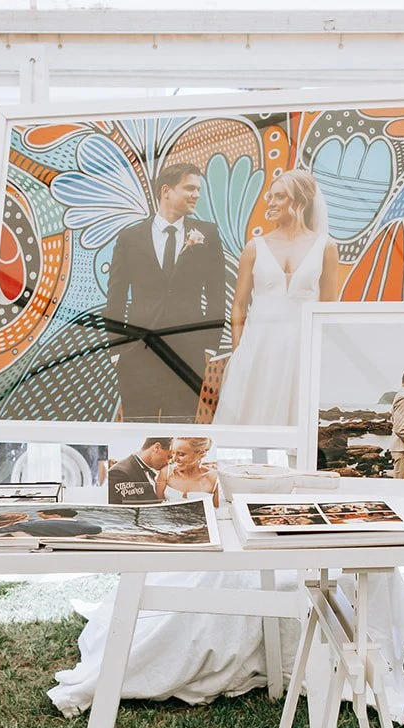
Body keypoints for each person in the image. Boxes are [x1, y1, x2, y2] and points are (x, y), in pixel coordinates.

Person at [103, 161, 227, 422]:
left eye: (198, 189)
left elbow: (216, 295)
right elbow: (115, 298)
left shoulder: (208, 234)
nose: (196, 195)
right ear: (166, 191)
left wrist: (209, 348)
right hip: (137, 353)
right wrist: (116, 350)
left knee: (180, 430)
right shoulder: (129, 238)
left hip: (187, 355)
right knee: (138, 429)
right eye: (190, 188)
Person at [213, 170, 338, 426]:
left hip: (300, 345)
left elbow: (328, 306)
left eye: (279, 196)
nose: (270, 202)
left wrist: (321, 352)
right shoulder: (254, 247)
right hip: (257, 345)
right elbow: (238, 304)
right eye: (271, 196)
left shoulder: (325, 247)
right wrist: (239, 351)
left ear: (300, 200)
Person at [154, 436, 220, 506]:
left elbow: (216, 510)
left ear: (201, 453)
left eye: (181, 454)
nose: (174, 459)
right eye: (173, 453)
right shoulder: (165, 473)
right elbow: (158, 505)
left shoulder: (213, 478)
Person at [107, 437, 171, 503]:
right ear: (156, 448)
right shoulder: (119, 473)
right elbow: (121, 511)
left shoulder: (152, 473)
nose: (168, 462)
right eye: (169, 457)